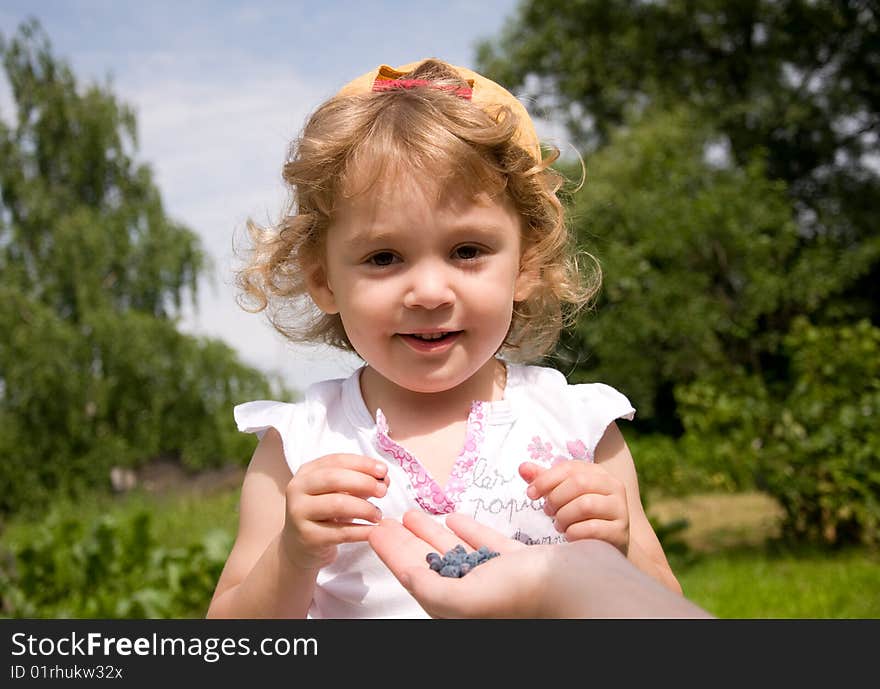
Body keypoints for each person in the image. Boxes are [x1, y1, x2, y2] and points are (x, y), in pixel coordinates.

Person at [207, 58, 680, 619]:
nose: (429, 291)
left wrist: (616, 549)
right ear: (322, 279)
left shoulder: (575, 428)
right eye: (384, 257)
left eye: (467, 251)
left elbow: (666, 609)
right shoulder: (301, 445)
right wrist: (292, 554)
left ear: (526, 262)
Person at [369, 510, 712, 618]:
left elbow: (668, 594)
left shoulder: (577, 412)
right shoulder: (317, 420)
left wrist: (618, 547)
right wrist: (311, 557)